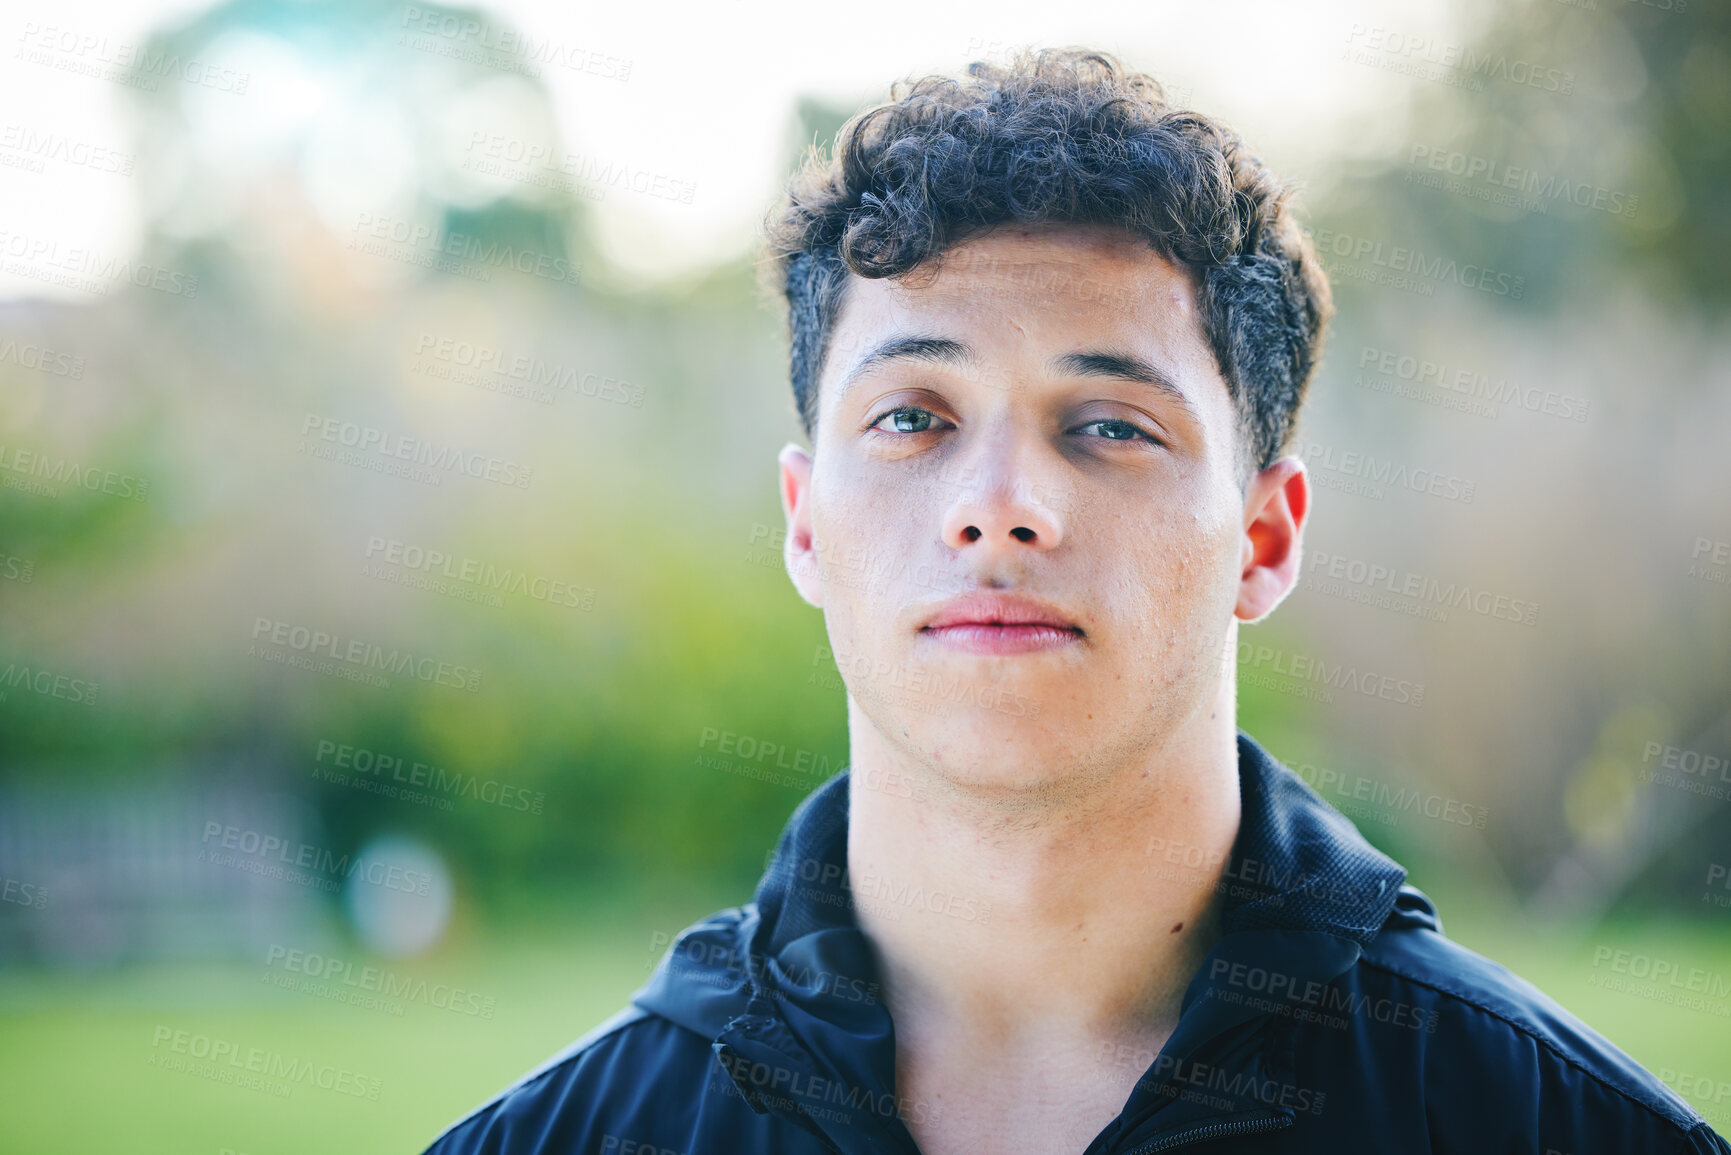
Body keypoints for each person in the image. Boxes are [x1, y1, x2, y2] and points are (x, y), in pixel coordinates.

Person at [420, 48, 1729, 1154]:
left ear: (1265, 537)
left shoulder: (1553, 1126)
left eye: (1108, 425)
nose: (1000, 505)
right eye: (913, 417)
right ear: (805, 520)